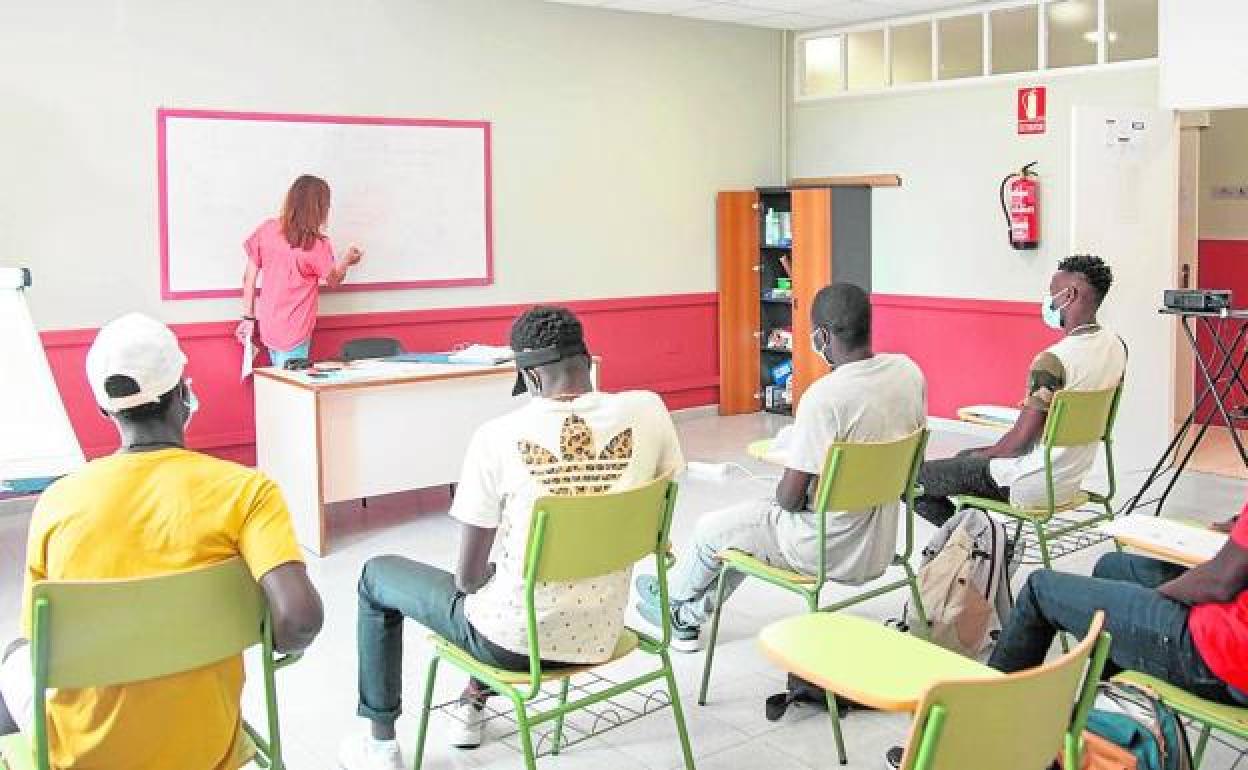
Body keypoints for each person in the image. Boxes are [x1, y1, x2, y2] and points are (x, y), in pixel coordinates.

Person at [338, 306, 684, 770]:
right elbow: (658, 517)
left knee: (379, 575)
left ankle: (380, 745)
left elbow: (466, 578)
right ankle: (472, 701)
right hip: (604, 628)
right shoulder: (649, 410)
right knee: (518, 581)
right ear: (587, 358)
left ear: (529, 377)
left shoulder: (497, 437)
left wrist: (493, 571)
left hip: (517, 647)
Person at [0, 313, 323, 770]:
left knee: (16, 653)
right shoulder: (248, 491)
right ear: (184, 395)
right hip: (209, 749)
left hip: (86, 758)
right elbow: (300, 618)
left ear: (104, 410)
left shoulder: (57, 502)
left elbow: (44, 644)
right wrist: (278, 637)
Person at [636, 283, 926, 651]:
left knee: (713, 530)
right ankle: (687, 617)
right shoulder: (908, 373)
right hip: (879, 544)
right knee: (744, 531)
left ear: (821, 336)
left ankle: (670, 597)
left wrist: (796, 478)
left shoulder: (825, 398)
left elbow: (788, 501)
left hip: (821, 547)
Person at [886, 514, 1248, 768]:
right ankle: (1095, 731)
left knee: (1040, 590)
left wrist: (1162, 596)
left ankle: (974, 743)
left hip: (1223, 657)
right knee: (1112, 566)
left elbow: (1221, 580)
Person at [912, 255, 1127, 529]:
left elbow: (1019, 445)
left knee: (912, 480)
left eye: (1052, 293)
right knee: (963, 462)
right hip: (1070, 478)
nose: (1048, 302)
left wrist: (982, 455)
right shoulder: (1116, 346)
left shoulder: (1053, 360)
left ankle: (990, 546)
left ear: (1069, 295)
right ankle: (985, 540)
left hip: (1032, 483)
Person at [236, 174, 364, 367]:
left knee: (279, 385)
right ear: (321, 209)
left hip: (269, 326)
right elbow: (333, 280)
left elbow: (249, 278)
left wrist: (248, 317)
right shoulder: (316, 245)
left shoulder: (267, 229)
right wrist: (347, 260)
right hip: (295, 331)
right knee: (293, 390)